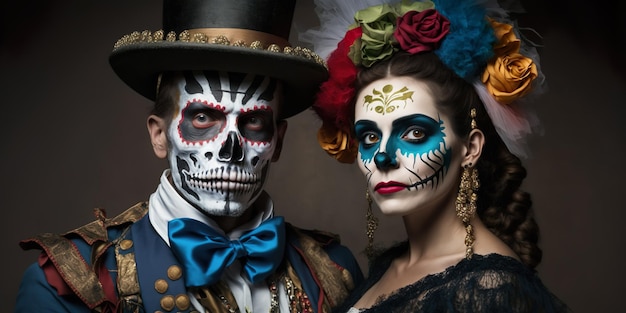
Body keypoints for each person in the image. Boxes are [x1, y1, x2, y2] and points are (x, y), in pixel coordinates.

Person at [14, 0, 363, 312]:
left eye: (254, 121)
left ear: (278, 141)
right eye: (202, 118)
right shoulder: (72, 284)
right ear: (158, 135)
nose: (231, 150)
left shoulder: (334, 272)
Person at [300, 0, 571, 312]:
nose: (383, 157)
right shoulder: (390, 265)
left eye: (414, 133)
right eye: (370, 136)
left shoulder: (489, 288)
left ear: (470, 147)